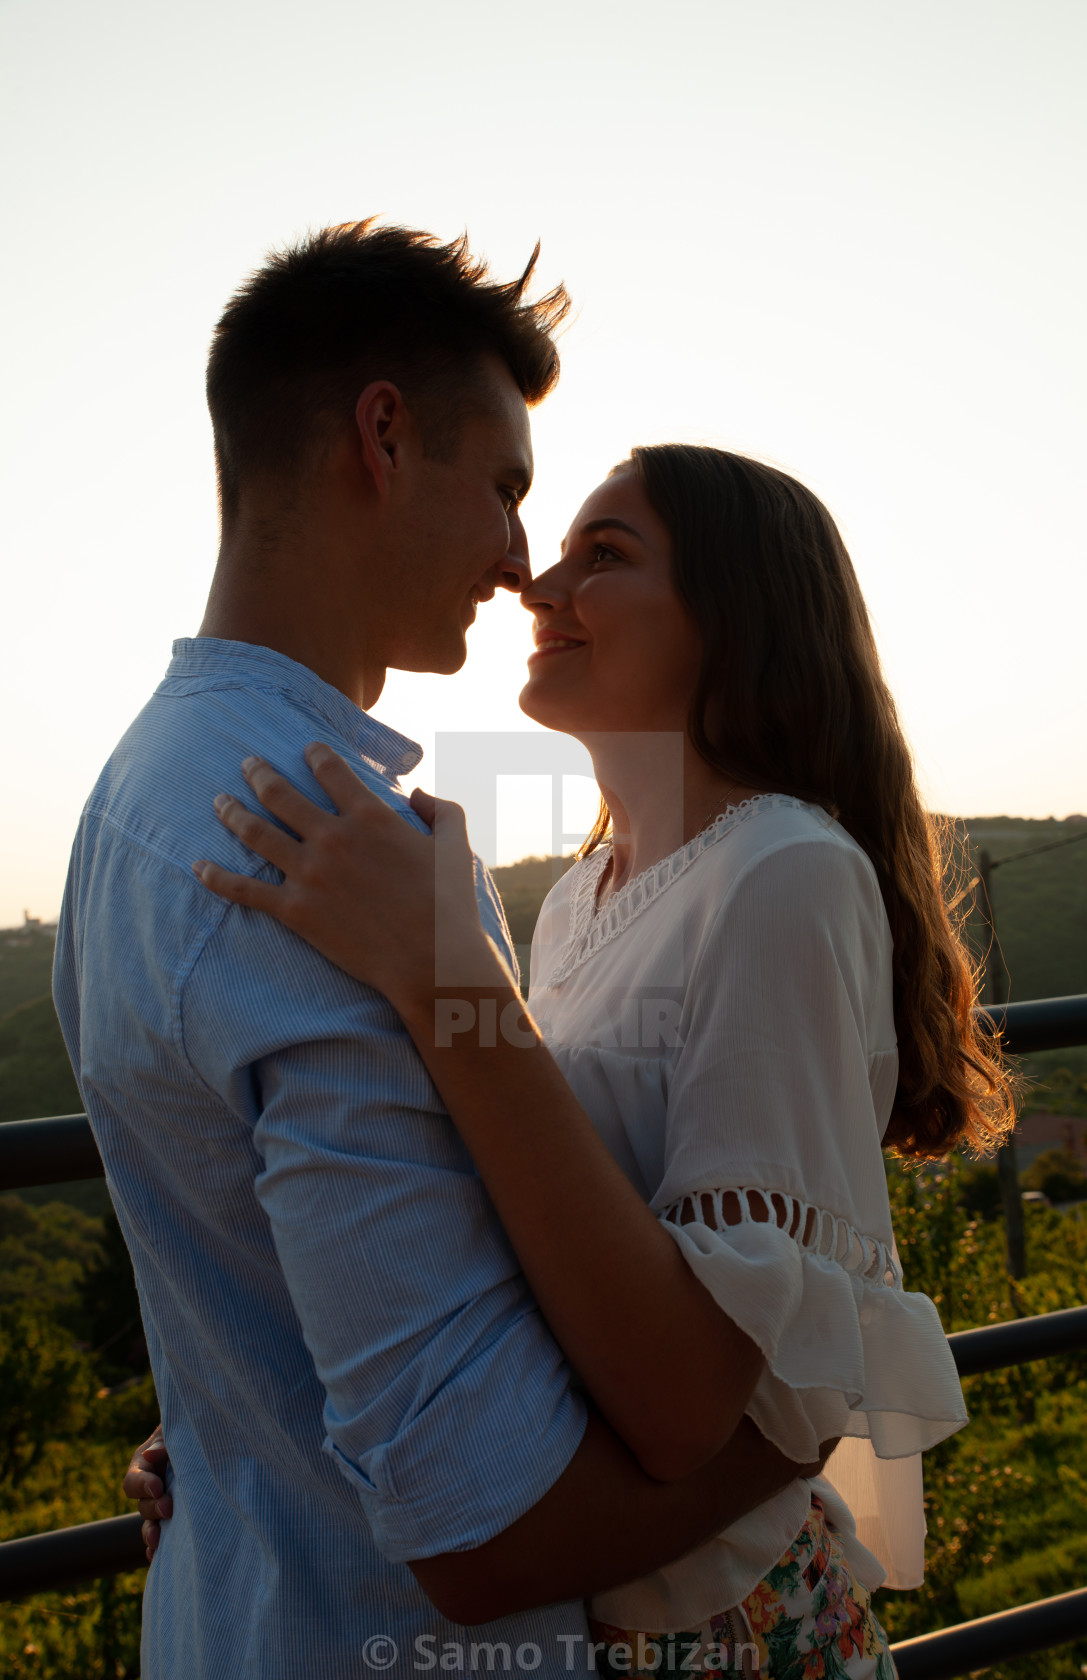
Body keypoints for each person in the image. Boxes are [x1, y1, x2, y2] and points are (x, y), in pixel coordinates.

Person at [56, 222, 832, 1679]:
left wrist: (231, 1421)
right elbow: (483, 1532)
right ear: (385, 435)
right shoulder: (319, 849)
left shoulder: (134, 793)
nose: (520, 560)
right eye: (507, 489)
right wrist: (807, 1418)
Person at [166, 443, 1017, 1675]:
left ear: (736, 615)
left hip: (718, 1634)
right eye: (557, 549)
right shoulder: (574, 900)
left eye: (602, 556)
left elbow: (687, 1409)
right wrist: (248, 1419)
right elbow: (496, 1196)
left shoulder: (783, 874)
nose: (539, 583)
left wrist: (441, 970)